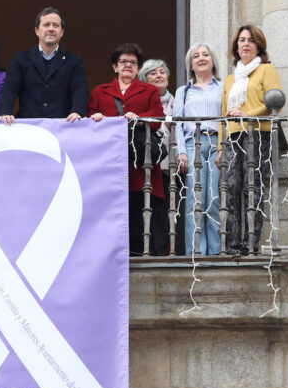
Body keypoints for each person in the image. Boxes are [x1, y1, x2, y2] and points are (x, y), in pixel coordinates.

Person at [88, 43, 164, 255]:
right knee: (112, 209)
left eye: (133, 62)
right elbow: (89, 118)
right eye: (123, 62)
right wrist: (96, 118)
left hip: (139, 161)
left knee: (140, 207)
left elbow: (158, 118)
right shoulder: (100, 92)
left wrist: (139, 120)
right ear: (115, 66)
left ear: (139, 69)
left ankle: (139, 252)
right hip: (110, 161)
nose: (128, 66)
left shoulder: (149, 90)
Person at [217, 25, 282, 255]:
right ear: (236, 46)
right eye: (242, 40)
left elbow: (275, 101)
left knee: (252, 189)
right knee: (231, 188)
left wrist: (249, 114)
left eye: (251, 41)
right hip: (234, 136)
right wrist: (219, 148)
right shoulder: (229, 80)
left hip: (258, 134)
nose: (245, 44)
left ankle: (250, 242)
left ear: (258, 47)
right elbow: (223, 116)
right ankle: (233, 243)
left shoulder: (266, 70)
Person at [172, 43, 223, 256]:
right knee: (195, 199)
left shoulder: (223, 87)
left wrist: (223, 147)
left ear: (213, 61)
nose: (201, 58)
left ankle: (215, 252)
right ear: (190, 65)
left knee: (214, 200)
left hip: (215, 145)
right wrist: (180, 152)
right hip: (193, 144)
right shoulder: (183, 92)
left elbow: (227, 121)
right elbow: (177, 123)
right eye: (196, 56)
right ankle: (196, 254)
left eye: (205, 55)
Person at [0, 7, 88, 124]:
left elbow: (79, 89)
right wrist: (5, 112)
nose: (51, 29)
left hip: (62, 126)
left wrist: (77, 111)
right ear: (37, 31)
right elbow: (10, 88)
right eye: (46, 25)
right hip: (28, 127)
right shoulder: (21, 58)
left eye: (55, 25)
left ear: (62, 32)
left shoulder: (74, 61)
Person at [138, 59, 175, 255]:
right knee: (146, 209)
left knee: (166, 212)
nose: (159, 75)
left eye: (162, 72)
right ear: (144, 80)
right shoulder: (142, 102)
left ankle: (163, 251)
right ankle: (146, 251)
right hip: (147, 165)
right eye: (153, 73)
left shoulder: (176, 102)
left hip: (170, 165)